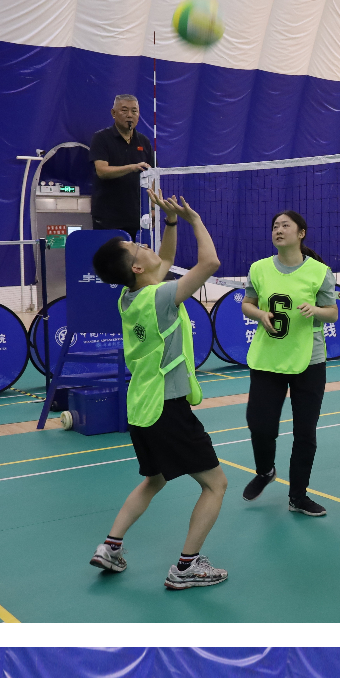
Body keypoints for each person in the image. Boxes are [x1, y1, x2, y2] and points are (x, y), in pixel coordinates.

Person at [88, 187, 229, 590]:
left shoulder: (129, 298)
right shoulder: (162, 297)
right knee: (216, 485)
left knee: (155, 479)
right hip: (168, 409)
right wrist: (193, 219)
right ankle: (187, 566)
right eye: (137, 247)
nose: (145, 246)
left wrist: (169, 222)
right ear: (136, 267)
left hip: (141, 408)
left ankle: (110, 546)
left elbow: (163, 261)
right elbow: (210, 262)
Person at [238, 211, 339, 516]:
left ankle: (298, 496)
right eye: (275, 226)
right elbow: (247, 304)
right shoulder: (259, 269)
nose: (278, 230)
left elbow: (332, 313)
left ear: (301, 233)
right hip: (268, 358)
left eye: (285, 226)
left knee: (305, 432)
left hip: (309, 360)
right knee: (259, 424)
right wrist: (260, 314)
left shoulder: (320, 271)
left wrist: (316, 311)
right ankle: (265, 470)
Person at [88, 95, 153, 237]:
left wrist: (153, 208)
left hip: (137, 217)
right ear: (113, 113)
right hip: (108, 219)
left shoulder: (144, 142)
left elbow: (153, 177)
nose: (129, 115)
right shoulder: (101, 138)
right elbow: (102, 171)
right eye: (124, 110)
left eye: (134, 111)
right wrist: (132, 167)